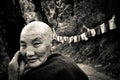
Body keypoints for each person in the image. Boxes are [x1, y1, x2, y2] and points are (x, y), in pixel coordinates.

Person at [8, 21, 89, 80]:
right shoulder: (24, 71)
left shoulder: (61, 71)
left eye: (36, 44)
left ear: (52, 44)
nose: (29, 53)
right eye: (23, 45)